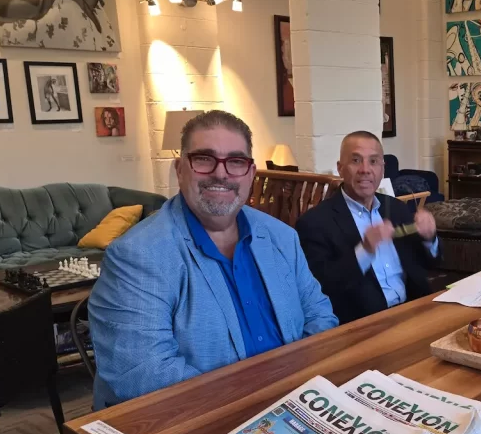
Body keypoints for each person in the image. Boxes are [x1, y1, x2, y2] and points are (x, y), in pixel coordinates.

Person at [88, 110, 338, 411]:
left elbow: (320, 316)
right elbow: (143, 374)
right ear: (180, 169)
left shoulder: (281, 237)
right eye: (204, 159)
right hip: (192, 421)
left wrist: (298, 387)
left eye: (235, 161)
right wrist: (255, 404)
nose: (221, 173)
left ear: (250, 174)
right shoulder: (138, 255)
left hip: (293, 403)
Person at [296, 131, 440, 325]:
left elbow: (430, 264)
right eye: (356, 160)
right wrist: (365, 251)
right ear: (340, 168)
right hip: (365, 326)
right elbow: (322, 288)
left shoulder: (396, 208)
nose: (365, 169)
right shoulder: (314, 223)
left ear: (382, 168)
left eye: (373, 162)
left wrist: (429, 238)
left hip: (415, 312)